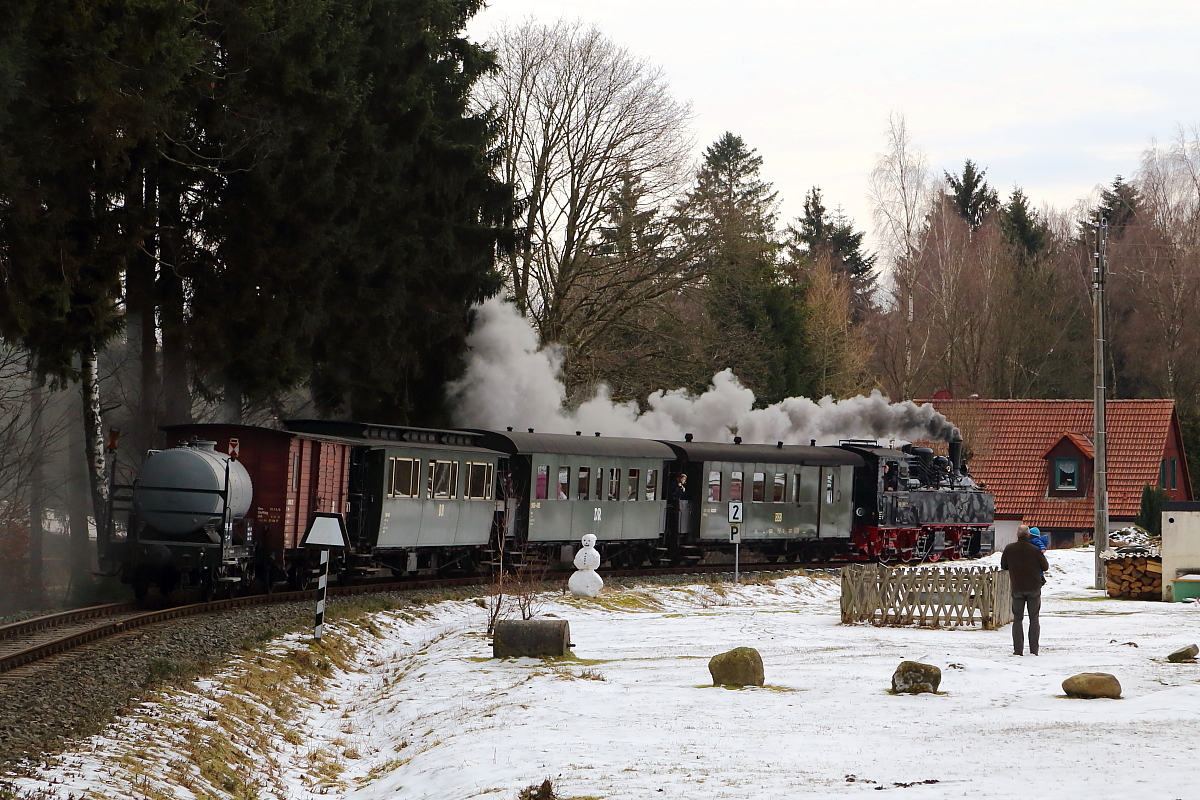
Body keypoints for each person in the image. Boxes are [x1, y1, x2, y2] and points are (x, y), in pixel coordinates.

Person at [1001, 524, 1050, 656]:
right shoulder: (1035, 550)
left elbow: (1004, 565)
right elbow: (1045, 566)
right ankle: (1034, 650)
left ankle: (1018, 650)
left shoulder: (1009, 549)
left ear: (1017, 535)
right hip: (1034, 587)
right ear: (1028, 535)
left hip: (1017, 587)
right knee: (1034, 618)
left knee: (1017, 619)